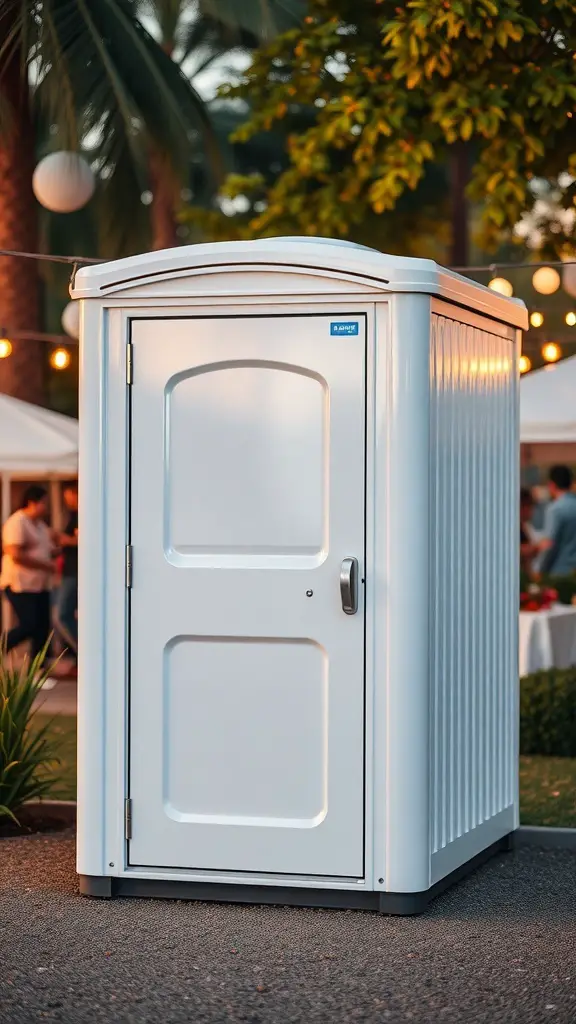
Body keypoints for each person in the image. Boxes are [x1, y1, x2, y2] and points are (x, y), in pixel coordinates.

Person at [0, 485, 59, 665]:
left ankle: (39, 665)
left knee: (42, 626)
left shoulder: (40, 525)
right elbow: (14, 553)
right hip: (20, 584)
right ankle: (3, 647)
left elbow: (47, 549)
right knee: (29, 624)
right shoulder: (17, 522)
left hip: (39, 584)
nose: (46, 507)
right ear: (32, 502)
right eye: (44, 503)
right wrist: (45, 564)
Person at [54, 481, 78, 670]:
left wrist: (63, 539)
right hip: (69, 570)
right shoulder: (73, 515)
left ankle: (83, 652)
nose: (68, 501)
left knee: (63, 614)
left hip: (74, 572)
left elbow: (79, 540)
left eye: (69, 496)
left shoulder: (82, 515)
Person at [538, 466, 576, 577]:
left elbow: (549, 544)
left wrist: (540, 569)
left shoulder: (555, 509)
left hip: (559, 572)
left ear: (551, 485)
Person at [520, 488, 539, 574]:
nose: (531, 510)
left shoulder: (526, 526)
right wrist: (536, 548)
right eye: (529, 506)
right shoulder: (512, 529)